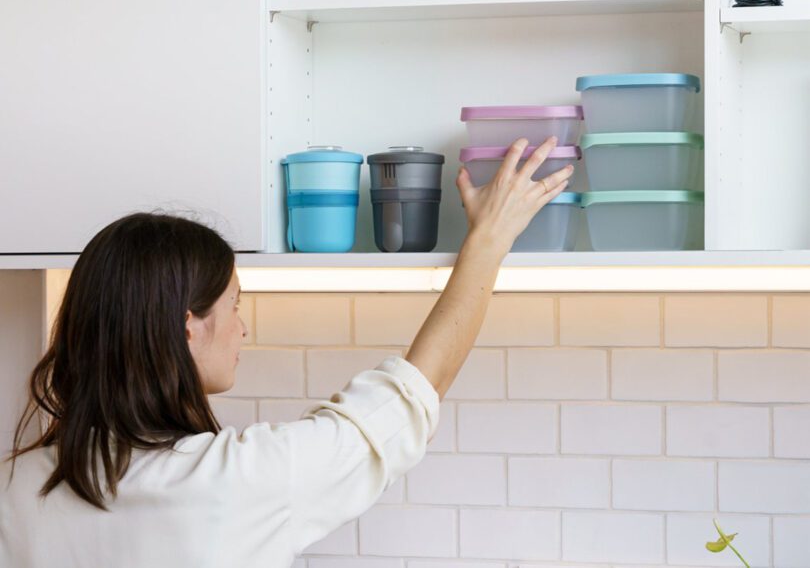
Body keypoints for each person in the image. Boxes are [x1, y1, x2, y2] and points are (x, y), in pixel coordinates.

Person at [0, 137, 570, 568]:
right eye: (234, 305)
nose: (243, 329)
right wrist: (490, 241)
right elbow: (411, 395)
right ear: (187, 327)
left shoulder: (16, 486)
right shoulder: (237, 481)